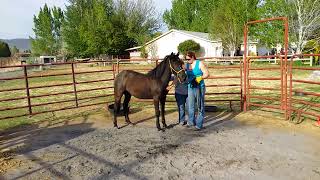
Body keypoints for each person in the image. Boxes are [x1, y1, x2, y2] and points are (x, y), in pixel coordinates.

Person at [185, 51, 210, 130]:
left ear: (192, 57)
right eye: (186, 59)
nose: (187, 61)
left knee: (200, 105)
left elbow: (207, 74)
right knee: (190, 105)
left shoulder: (200, 63)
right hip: (190, 86)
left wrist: (201, 78)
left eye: (189, 59)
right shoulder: (187, 65)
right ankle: (191, 122)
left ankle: (199, 125)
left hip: (199, 87)